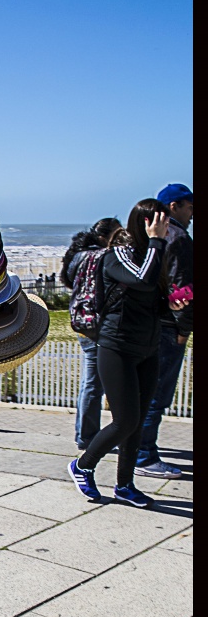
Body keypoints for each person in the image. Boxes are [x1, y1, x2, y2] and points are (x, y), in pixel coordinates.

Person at [67, 199, 172, 508]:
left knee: (136, 423)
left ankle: (125, 485)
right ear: (144, 223)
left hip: (147, 348)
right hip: (117, 347)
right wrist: (156, 242)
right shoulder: (118, 256)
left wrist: (173, 306)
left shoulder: (155, 255)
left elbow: (152, 299)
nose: (165, 229)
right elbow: (142, 280)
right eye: (159, 223)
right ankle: (82, 465)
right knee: (124, 421)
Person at [135, 183, 193, 479]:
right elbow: (182, 288)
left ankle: (139, 450)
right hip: (170, 326)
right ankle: (144, 456)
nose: (192, 214)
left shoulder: (148, 236)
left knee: (145, 391)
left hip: (148, 323)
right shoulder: (179, 237)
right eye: (189, 206)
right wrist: (184, 328)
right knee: (158, 394)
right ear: (174, 207)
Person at [60, 218, 123, 452]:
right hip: (99, 325)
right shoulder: (102, 257)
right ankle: (88, 437)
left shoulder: (77, 256)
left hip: (82, 323)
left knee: (92, 383)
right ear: (107, 236)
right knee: (94, 384)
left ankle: (86, 434)